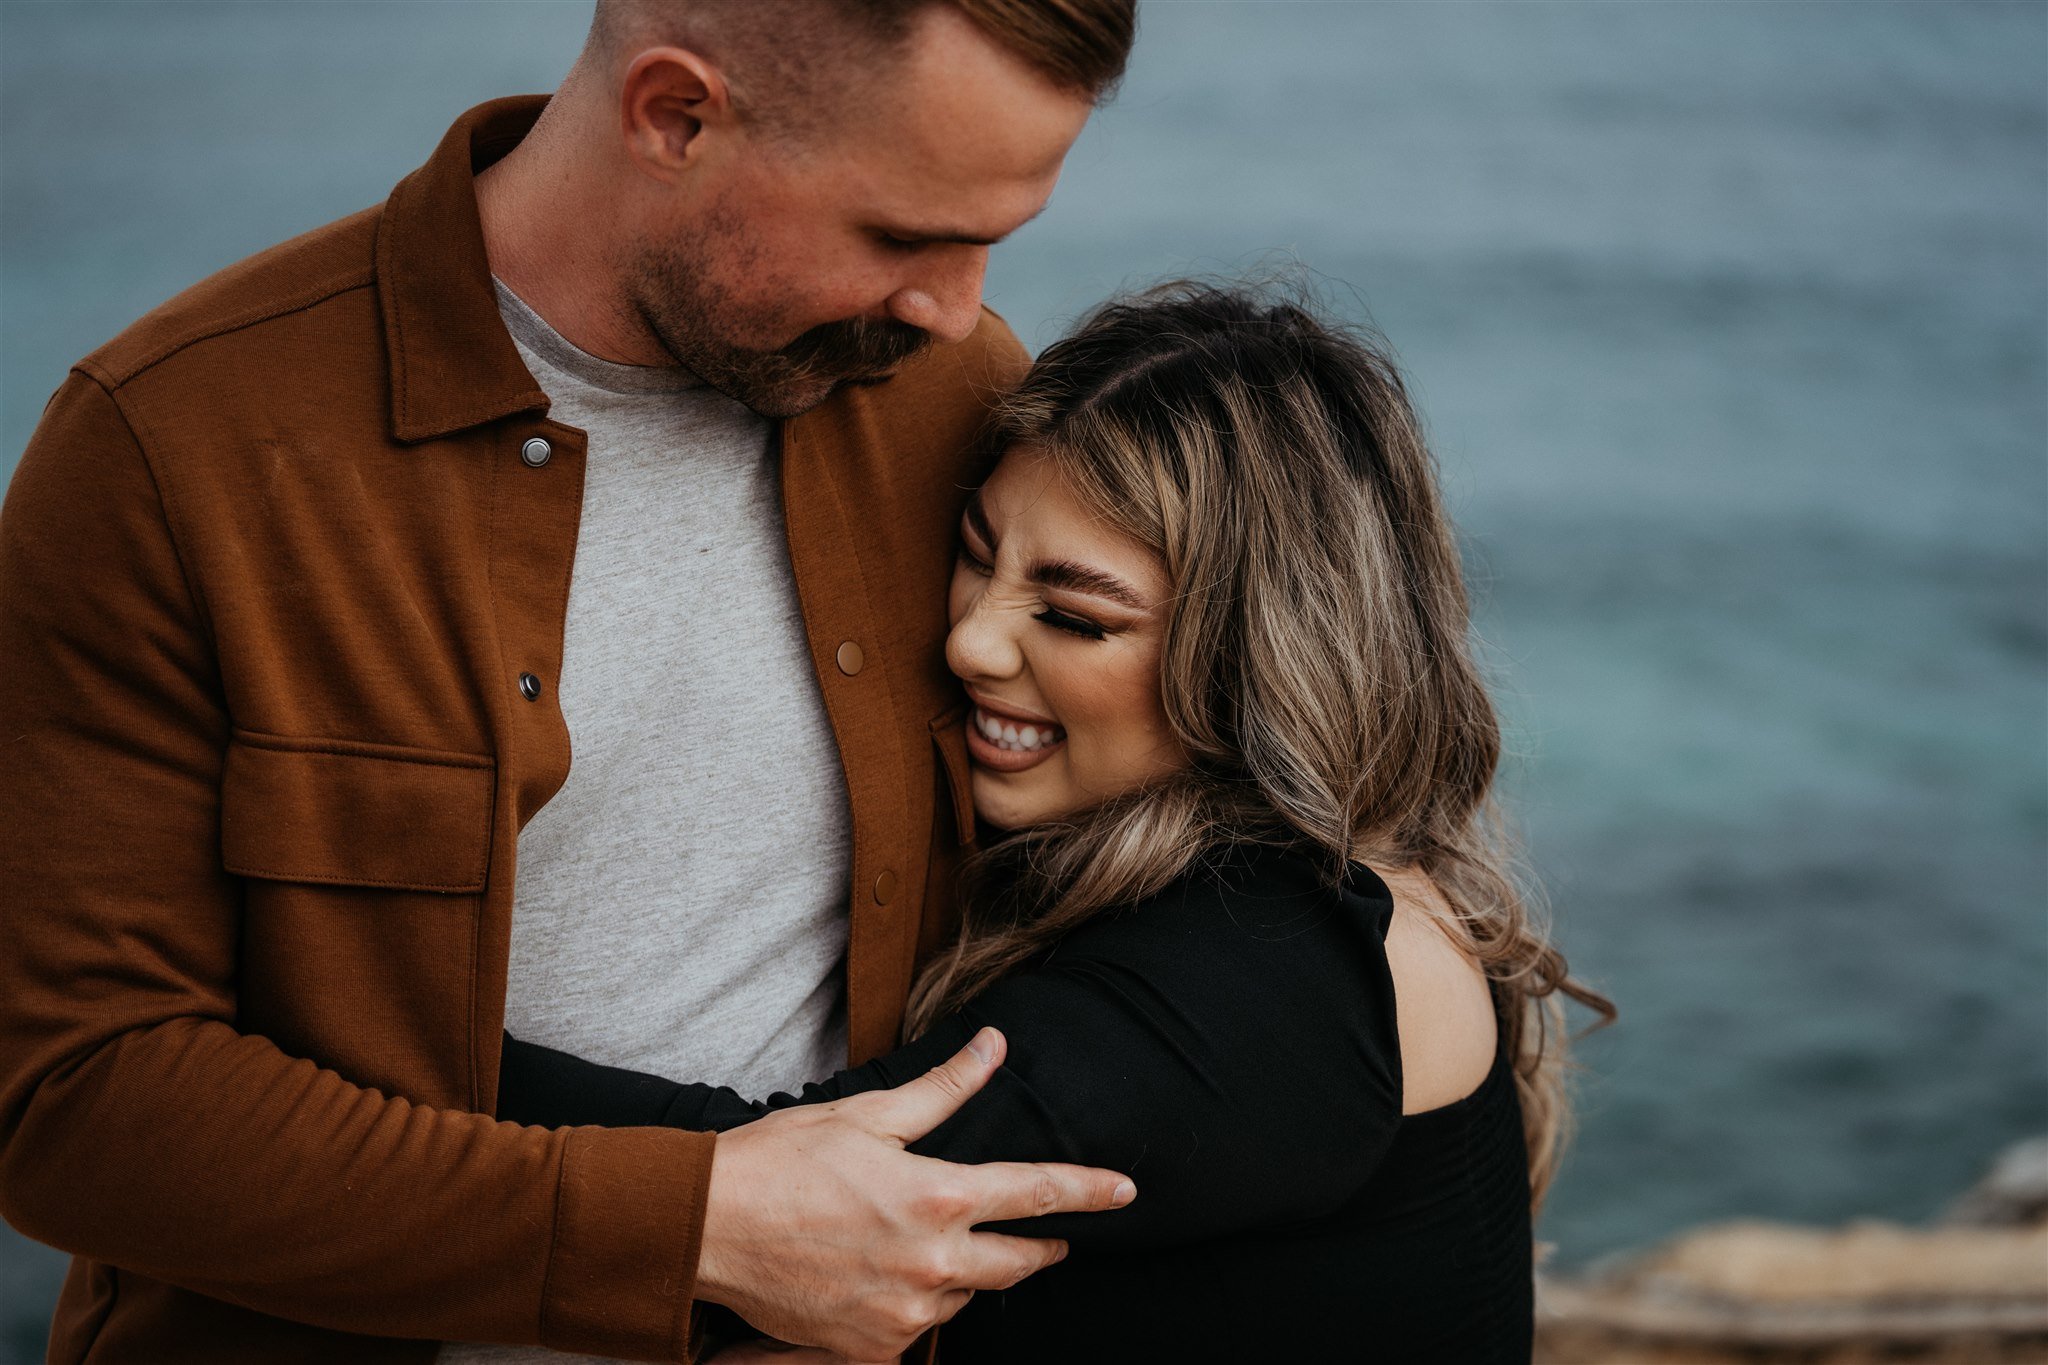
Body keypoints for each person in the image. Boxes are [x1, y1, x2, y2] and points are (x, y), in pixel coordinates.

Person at [0, 3, 1143, 1362]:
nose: (956, 309)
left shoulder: (961, 400)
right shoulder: (167, 446)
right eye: (899, 236)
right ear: (674, 115)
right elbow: (69, 1099)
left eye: (990, 242)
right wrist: (691, 1226)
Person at [496, 283, 1621, 1362]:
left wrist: (364, 1039)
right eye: (976, 556)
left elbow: (798, 1192)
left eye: (1073, 617)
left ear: (1254, 664)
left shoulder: (1270, 972)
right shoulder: (1314, 892)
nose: (972, 643)